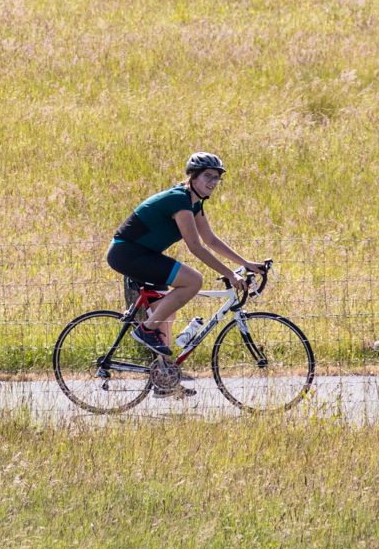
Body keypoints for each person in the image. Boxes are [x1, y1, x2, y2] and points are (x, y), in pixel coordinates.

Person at [106, 152, 265, 379]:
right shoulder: (179, 200)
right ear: (193, 177)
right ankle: (145, 330)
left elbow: (211, 240)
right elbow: (196, 247)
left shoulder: (194, 202)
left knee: (165, 314)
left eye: (217, 178)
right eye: (207, 176)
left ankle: (164, 379)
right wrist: (230, 274)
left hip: (143, 253)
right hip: (127, 253)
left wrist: (245, 263)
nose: (213, 182)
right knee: (193, 280)